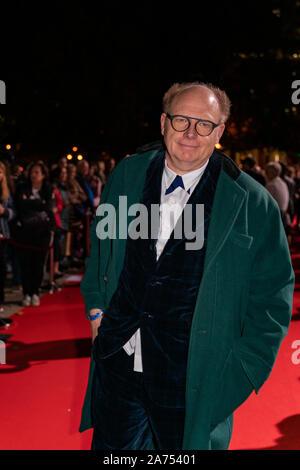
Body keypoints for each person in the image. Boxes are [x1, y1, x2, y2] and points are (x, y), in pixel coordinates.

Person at [79, 82, 294, 450]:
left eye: (204, 124)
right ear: (164, 123)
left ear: (220, 132)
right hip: (121, 369)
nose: (191, 133)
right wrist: (97, 310)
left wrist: (237, 375)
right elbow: (100, 250)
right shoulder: (127, 176)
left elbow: (272, 302)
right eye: (181, 120)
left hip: (195, 383)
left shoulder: (253, 203)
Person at [13, 162, 54, 306]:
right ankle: (26, 293)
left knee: (38, 263)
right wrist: (38, 203)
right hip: (24, 232)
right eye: (32, 172)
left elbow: (48, 207)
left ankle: (35, 292)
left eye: (37, 172)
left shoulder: (48, 188)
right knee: (25, 264)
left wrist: (31, 202)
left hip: (42, 232)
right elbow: (20, 206)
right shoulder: (22, 188)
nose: (34, 175)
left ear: (43, 175)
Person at [0, 161, 15, 320]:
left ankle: (1, 305)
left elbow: (13, 213)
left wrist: (4, 211)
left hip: (3, 237)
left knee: (2, 272)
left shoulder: (5, 192)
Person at [265, 162, 291, 243]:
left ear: (271, 173)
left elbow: (265, 203)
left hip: (275, 216)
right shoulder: (283, 183)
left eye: (267, 172)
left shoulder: (271, 185)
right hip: (284, 215)